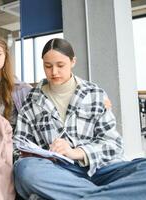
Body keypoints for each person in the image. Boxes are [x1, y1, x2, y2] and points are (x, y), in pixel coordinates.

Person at [14, 38, 146, 200]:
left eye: (60, 65)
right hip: (59, 173)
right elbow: (20, 144)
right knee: (25, 169)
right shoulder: (32, 100)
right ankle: (112, 194)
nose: (54, 72)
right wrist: (43, 154)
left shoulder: (94, 93)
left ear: (73, 61)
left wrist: (77, 152)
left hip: (101, 169)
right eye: (48, 66)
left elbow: (114, 144)